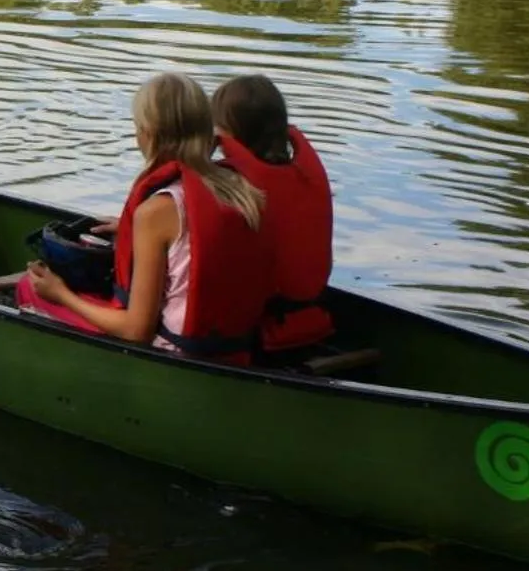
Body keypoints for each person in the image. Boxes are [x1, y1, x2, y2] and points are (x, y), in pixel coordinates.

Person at [17, 72, 268, 363]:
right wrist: (128, 229)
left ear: (148, 133)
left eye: (137, 126)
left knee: (28, 286)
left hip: (178, 353)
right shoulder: (243, 191)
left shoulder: (156, 212)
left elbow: (136, 330)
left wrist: (60, 294)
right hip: (237, 349)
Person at [211, 73, 335, 354]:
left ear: (227, 131)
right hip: (311, 318)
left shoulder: (228, 183)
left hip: (254, 332)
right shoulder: (305, 176)